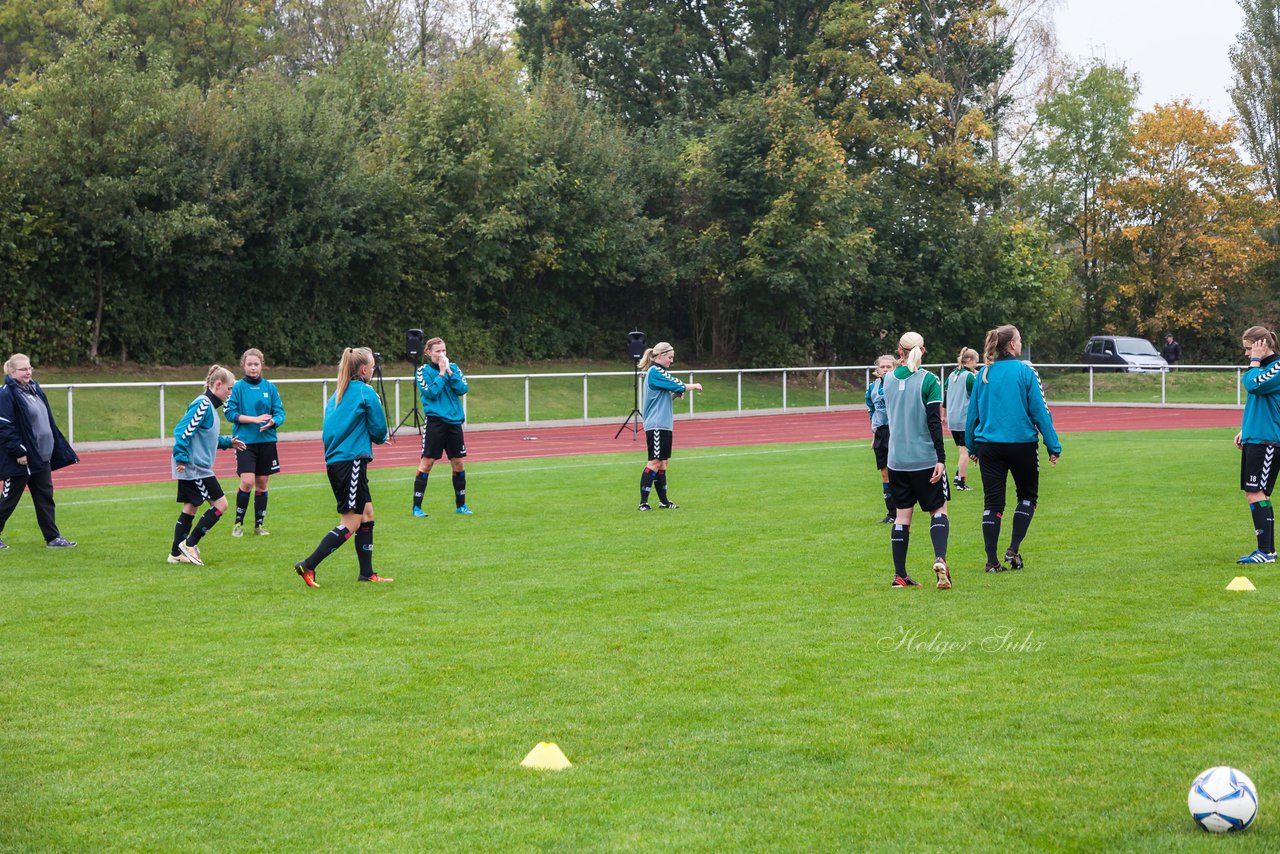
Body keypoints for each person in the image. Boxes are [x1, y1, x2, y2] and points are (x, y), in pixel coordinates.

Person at [965, 325, 1061, 573]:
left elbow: (972, 415)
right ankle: (1013, 549)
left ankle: (991, 561)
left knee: (993, 505)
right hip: (1022, 445)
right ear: (1012, 345)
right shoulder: (1026, 371)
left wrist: (972, 446)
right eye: (1019, 339)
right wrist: (1053, 445)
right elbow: (1040, 411)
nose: (1020, 343)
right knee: (1028, 497)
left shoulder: (983, 374)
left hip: (989, 447)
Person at [295, 347, 392, 587]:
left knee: (367, 515)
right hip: (352, 463)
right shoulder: (365, 393)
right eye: (371, 366)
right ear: (363, 369)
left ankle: (366, 573)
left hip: (339, 462)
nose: (373, 369)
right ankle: (308, 565)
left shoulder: (336, 395)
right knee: (351, 522)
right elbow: (380, 430)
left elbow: (330, 432)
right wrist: (378, 438)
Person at [882, 332, 951, 590]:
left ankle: (900, 576)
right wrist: (941, 458)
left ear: (899, 351)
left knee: (902, 518)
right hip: (925, 459)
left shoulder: (886, 380)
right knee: (938, 510)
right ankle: (940, 559)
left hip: (897, 461)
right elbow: (934, 422)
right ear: (922, 350)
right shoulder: (930, 381)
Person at [169, 365, 246, 566]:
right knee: (221, 505)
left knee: (191, 506)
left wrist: (228, 442)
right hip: (194, 467)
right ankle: (190, 544)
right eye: (229, 389)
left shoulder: (209, 408)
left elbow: (206, 437)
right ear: (218, 385)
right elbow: (182, 431)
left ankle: (176, 552)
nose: (230, 393)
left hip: (196, 466)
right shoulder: (203, 405)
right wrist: (182, 457)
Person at [0, 353, 78, 550]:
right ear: (11, 371)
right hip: (21, 459)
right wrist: (19, 451)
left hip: (41, 456)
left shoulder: (34, 389)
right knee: (9, 500)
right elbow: (5, 426)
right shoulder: (6, 394)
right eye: (23, 369)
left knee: (45, 498)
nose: (28, 372)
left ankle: (53, 538)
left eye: (30, 368)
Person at [224, 348, 286, 537]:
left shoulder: (270, 388)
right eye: (249, 364)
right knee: (247, 481)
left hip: (266, 442)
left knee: (262, 483)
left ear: (262, 365)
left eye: (256, 364)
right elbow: (229, 413)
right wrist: (254, 419)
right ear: (243, 365)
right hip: (245, 443)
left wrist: (273, 422)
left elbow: (280, 413)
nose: (253, 368)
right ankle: (238, 523)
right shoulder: (238, 388)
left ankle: (259, 524)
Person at [637, 342, 702, 510]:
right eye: (670, 357)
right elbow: (678, 383)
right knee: (654, 462)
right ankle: (643, 502)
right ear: (660, 356)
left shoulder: (660, 373)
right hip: (657, 424)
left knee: (663, 463)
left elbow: (664, 397)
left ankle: (664, 502)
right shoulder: (655, 371)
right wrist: (693, 386)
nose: (671, 361)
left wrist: (675, 394)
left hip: (664, 424)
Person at [1234, 325, 1280, 563]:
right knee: (1257, 494)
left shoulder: (1276, 368)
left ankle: (1265, 552)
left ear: (1261, 345)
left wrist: (1255, 361)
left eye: (1248, 349)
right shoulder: (1266, 369)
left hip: (1267, 440)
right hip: (1257, 437)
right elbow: (1263, 402)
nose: (1246, 354)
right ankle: (1268, 551)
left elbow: (1253, 384)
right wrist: (1246, 430)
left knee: (1256, 493)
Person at [412, 337, 472, 517]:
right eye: (438, 351)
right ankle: (417, 507)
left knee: (458, 463)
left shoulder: (454, 368)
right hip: (435, 422)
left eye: (444, 351)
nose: (442, 354)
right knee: (427, 463)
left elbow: (462, 389)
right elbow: (431, 392)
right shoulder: (422, 371)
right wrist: (441, 373)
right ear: (428, 352)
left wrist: (450, 373)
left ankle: (461, 505)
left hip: (454, 422)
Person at [865, 354, 897, 523]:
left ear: (895, 368)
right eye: (882, 367)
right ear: (877, 369)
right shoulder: (872, 388)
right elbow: (872, 411)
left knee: (898, 473)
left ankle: (903, 508)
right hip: (881, 434)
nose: (885, 370)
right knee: (885, 474)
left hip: (896, 432)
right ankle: (891, 513)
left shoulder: (899, 385)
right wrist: (874, 435)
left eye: (888, 367)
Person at [944, 348, 979, 492]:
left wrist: (944, 413)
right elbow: (977, 392)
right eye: (976, 362)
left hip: (953, 419)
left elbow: (946, 395)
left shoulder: (952, 374)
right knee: (966, 450)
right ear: (970, 360)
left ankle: (959, 475)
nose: (977, 365)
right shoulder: (969, 376)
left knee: (962, 449)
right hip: (964, 418)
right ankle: (960, 482)